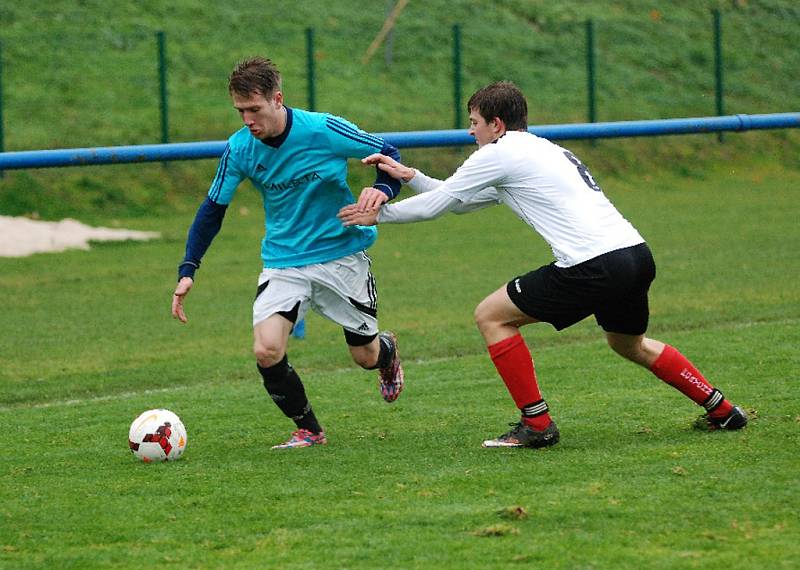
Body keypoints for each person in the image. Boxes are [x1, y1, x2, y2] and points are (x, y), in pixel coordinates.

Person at [338, 81, 747, 449]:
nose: (469, 131)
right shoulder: (541, 149)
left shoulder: (499, 154)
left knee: (491, 316)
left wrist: (380, 215)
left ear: (496, 124)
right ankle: (722, 409)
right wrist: (410, 175)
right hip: (635, 255)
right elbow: (460, 199)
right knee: (629, 344)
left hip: (593, 263)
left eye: (474, 122)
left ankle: (537, 424)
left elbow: (439, 206)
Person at [172, 57, 404, 449]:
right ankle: (309, 429)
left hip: (341, 255)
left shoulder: (324, 129)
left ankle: (387, 351)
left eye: (254, 109)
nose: (247, 120)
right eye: (240, 111)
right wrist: (189, 267)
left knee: (364, 356)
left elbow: (390, 154)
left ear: (277, 99)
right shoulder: (240, 148)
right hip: (284, 261)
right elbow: (213, 208)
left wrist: (382, 189)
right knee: (266, 349)